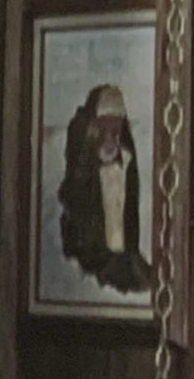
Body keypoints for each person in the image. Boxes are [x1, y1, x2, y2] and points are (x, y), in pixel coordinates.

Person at [56, 84, 150, 295]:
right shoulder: (83, 163)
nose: (110, 134)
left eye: (116, 126)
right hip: (93, 258)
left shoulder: (126, 160)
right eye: (104, 125)